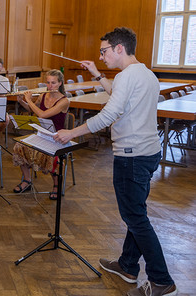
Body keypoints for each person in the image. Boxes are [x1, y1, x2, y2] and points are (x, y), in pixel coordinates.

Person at [54, 27, 177, 296]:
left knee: (135, 218)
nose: (101, 56)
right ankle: (128, 266)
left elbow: (108, 115)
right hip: (148, 153)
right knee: (137, 213)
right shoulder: (146, 74)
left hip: (132, 157)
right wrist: (98, 76)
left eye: (104, 51)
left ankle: (161, 280)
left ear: (119, 48)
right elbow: (120, 98)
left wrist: (71, 133)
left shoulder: (126, 77)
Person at [12, 69, 69, 200]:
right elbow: (31, 109)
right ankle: (27, 180)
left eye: (53, 83)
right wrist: (22, 101)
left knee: (51, 156)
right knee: (19, 147)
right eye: (48, 83)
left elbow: (42, 114)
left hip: (57, 137)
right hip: (41, 134)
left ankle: (56, 186)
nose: (50, 86)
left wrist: (30, 100)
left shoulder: (64, 101)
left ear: (60, 83)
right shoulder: (43, 96)